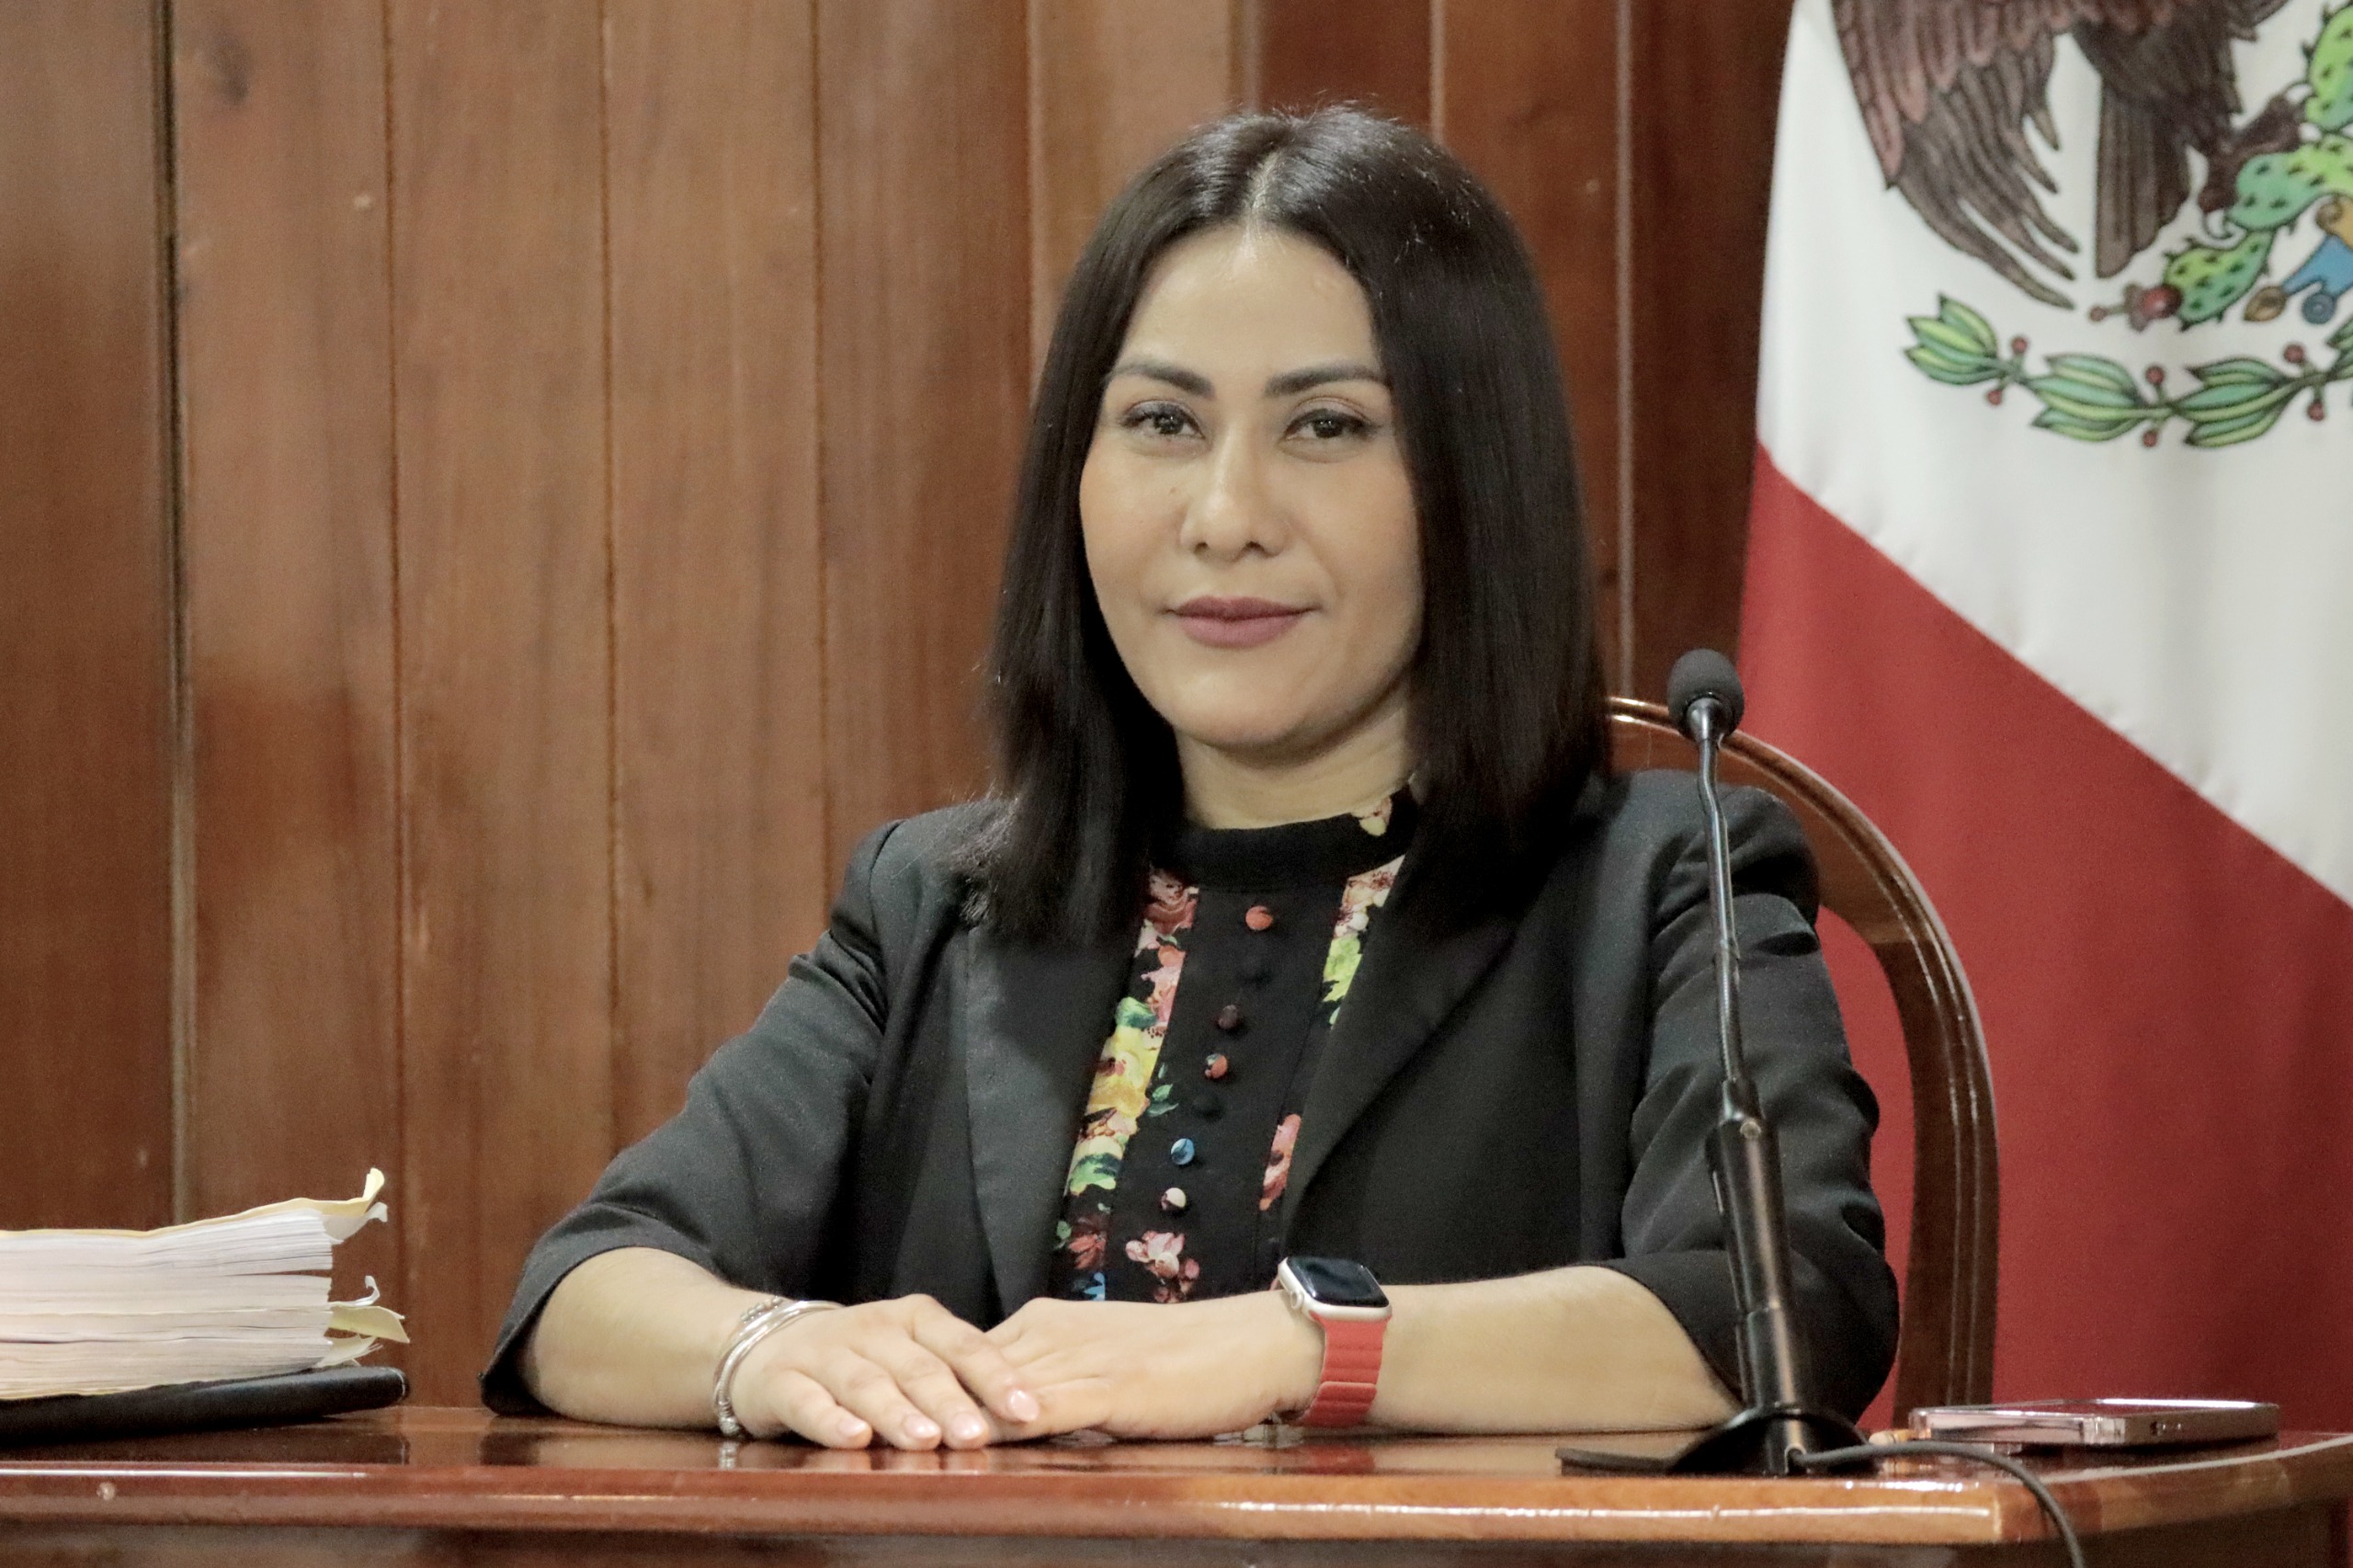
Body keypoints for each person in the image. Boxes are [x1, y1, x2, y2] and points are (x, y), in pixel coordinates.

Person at [483, 108, 1896, 1450]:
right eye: (1163, 422)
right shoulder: (935, 904)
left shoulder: (1664, 882)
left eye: (1325, 425)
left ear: (1474, 478)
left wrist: (1296, 1346)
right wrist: (769, 1346)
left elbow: (1784, 1312)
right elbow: (587, 1286)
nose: (1225, 517)